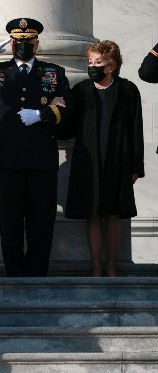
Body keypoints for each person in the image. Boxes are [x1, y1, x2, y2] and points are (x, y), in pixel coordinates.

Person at [0, 18, 75, 277]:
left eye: (28, 42)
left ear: (37, 44)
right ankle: (14, 274)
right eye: (18, 42)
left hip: (40, 155)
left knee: (41, 220)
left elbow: (66, 104)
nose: (23, 46)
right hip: (6, 156)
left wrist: (42, 115)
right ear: (11, 44)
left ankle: (37, 273)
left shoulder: (52, 72)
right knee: (10, 220)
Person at [63, 40, 144, 277]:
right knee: (93, 213)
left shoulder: (128, 90)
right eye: (90, 62)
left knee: (114, 214)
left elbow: (136, 130)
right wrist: (57, 112)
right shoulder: (81, 91)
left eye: (98, 62)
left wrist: (136, 167)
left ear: (111, 66)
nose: (92, 66)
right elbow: (68, 130)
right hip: (88, 162)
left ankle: (111, 267)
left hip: (118, 160)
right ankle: (96, 266)